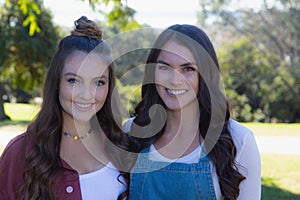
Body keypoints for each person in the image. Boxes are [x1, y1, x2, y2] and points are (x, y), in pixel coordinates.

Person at [0, 16, 131, 200]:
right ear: (57, 83)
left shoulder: (123, 147)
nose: (86, 94)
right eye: (74, 80)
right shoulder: (21, 152)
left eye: (99, 82)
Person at [126, 24, 261, 199]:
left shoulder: (239, 140)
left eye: (188, 69)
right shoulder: (131, 132)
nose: (175, 80)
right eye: (164, 67)